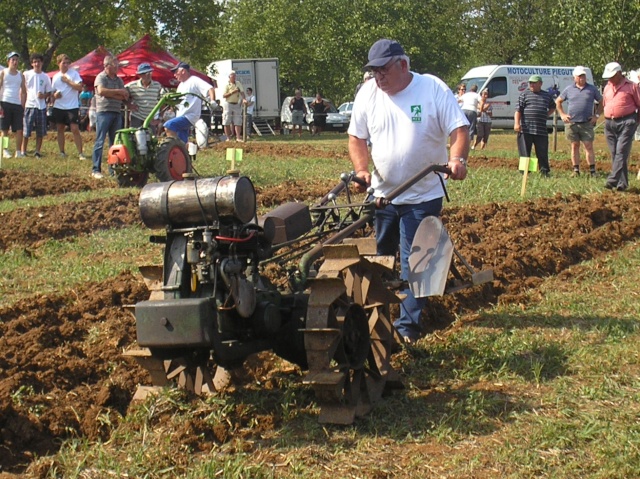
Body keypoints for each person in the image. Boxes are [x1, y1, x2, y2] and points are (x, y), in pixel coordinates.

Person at [349, 39, 469, 344]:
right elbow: (356, 138)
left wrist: (456, 160)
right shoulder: (368, 94)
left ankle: (407, 329)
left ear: (403, 64)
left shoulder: (432, 89)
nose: (378, 77)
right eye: (374, 71)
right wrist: (362, 170)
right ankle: (376, 320)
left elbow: (458, 129)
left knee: (416, 260)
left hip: (422, 193)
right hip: (383, 194)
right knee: (380, 258)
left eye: (383, 70)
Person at [556, 66, 603, 178]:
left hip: (586, 123)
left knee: (588, 146)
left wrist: (596, 115)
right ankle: (576, 170)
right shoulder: (569, 89)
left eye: (583, 76)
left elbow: (601, 101)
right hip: (572, 123)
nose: (582, 78)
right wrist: (562, 114)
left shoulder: (592, 89)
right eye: (580, 76)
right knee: (574, 146)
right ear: (574, 78)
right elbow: (558, 101)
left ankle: (592, 171)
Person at [601, 61, 640, 191]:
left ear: (619, 73)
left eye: (612, 76)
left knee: (621, 151)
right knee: (615, 153)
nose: (610, 79)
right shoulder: (607, 87)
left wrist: (636, 121)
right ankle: (622, 184)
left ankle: (613, 179)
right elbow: (605, 103)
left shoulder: (632, 87)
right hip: (610, 123)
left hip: (627, 121)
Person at [91, 55, 129, 179]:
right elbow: (101, 91)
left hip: (117, 112)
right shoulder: (100, 77)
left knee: (115, 143)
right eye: (115, 65)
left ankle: (113, 170)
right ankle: (96, 169)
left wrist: (112, 94)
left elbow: (124, 96)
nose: (117, 67)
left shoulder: (119, 80)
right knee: (100, 141)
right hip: (103, 112)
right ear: (107, 66)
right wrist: (118, 92)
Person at [514, 74, 555, 176]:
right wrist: (516, 123)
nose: (531, 85)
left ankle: (544, 172)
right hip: (525, 129)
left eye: (534, 83)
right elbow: (518, 110)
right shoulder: (524, 94)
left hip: (541, 130)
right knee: (524, 152)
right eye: (530, 83)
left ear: (540, 84)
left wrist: (546, 114)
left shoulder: (546, 95)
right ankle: (525, 172)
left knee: (542, 152)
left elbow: (553, 107)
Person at [164, 62, 215, 144]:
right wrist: (171, 109)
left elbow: (210, 88)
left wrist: (212, 101)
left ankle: (173, 147)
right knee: (182, 140)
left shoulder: (194, 80)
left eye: (176, 72)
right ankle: (184, 152)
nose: (174, 75)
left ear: (183, 71)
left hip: (189, 116)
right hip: (181, 115)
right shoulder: (181, 85)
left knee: (169, 126)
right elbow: (179, 101)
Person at [51, 53, 86, 159]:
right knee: (60, 128)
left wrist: (68, 81)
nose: (66, 65)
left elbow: (79, 87)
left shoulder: (74, 74)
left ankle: (80, 153)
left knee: (74, 128)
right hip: (59, 106)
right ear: (58, 64)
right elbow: (52, 93)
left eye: (67, 63)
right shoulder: (56, 77)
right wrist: (55, 95)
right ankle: (62, 152)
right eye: (63, 63)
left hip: (72, 106)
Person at [21, 53, 52, 158]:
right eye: (34, 62)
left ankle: (37, 151)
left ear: (42, 63)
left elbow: (49, 92)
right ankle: (23, 151)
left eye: (38, 61)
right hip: (29, 105)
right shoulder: (26, 74)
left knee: (40, 131)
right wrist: (22, 104)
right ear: (32, 63)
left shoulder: (46, 76)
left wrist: (44, 95)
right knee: (26, 131)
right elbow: (22, 91)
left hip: (41, 107)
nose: (37, 64)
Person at [0, 52, 27, 158]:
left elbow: (24, 91)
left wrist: (23, 105)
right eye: (13, 60)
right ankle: (5, 150)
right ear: (8, 61)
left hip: (17, 104)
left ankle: (18, 152)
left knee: (19, 130)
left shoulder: (21, 75)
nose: (15, 62)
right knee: (5, 129)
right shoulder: (3, 73)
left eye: (16, 60)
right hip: (5, 102)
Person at [126, 63, 163, 129]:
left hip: (151, 118)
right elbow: (121, 94)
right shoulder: (131, 86)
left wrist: (159, 118)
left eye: (149, 72)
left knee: (151, 138)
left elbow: (164, 102)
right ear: (140, 75)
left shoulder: (157, 86)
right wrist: (128, 104)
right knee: (134, 137)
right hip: (137, 117)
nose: (148, 75)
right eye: (144, 73)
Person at [221, 70, 244, 141]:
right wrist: (232, 92)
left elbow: (242, 92)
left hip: (236, 103)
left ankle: (238, 137)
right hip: (228, 104)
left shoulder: (238, 83)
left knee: (238, 120)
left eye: (235, 75)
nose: (234, 77)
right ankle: (228, 137)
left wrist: (244, 99)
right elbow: (224, 95)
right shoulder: (227, 85)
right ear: (229, 77)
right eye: (232, 75)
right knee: (227, 120)